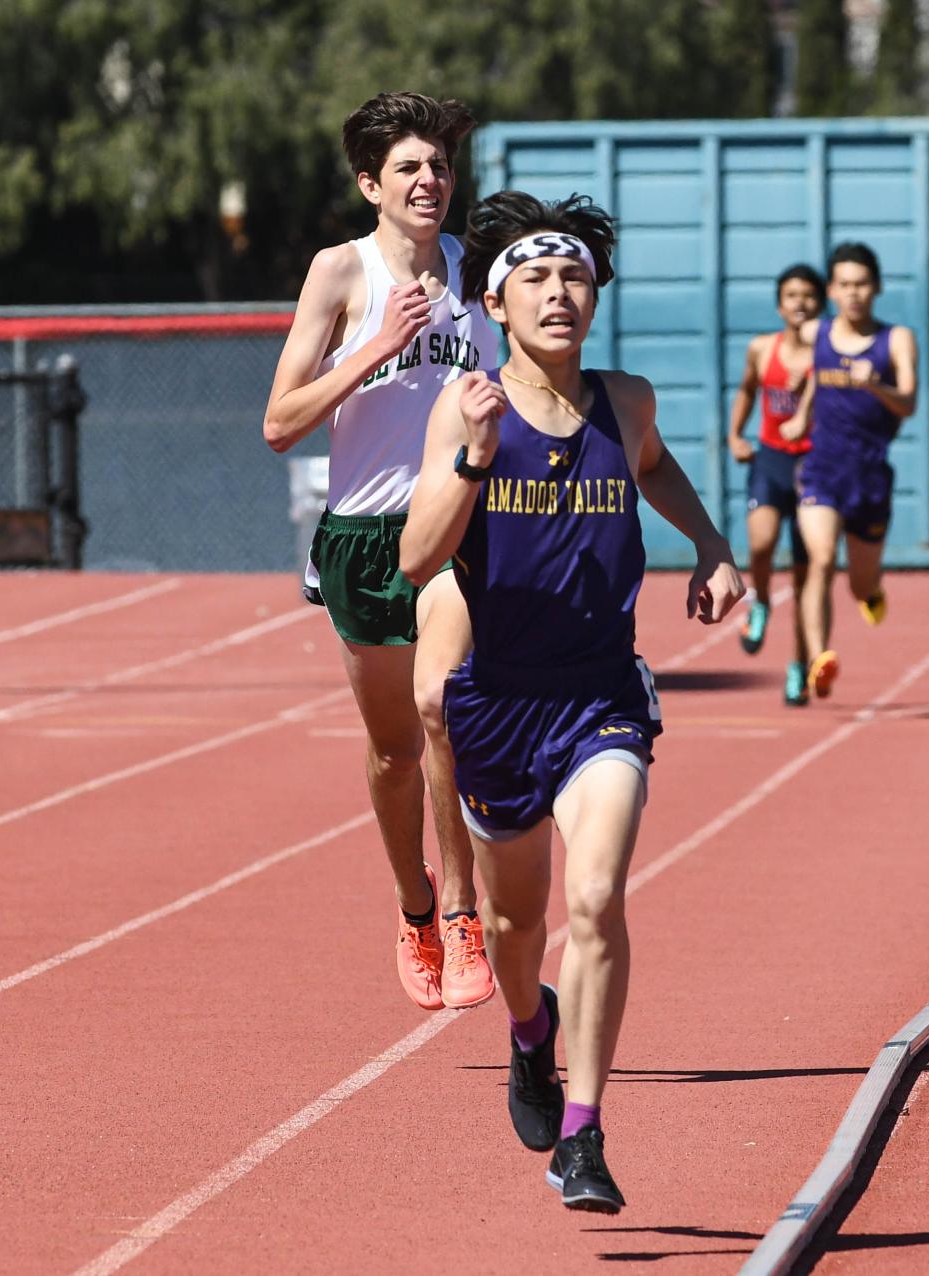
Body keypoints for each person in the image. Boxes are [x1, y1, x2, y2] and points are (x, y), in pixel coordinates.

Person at [400, 192, 744, 1213]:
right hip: (498, 705)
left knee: (594, 898)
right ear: (496, 304)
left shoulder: (625, 402)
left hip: (599, 696)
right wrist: (468, 456)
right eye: (537, 279)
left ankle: (585, 1138)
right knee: (516, 926)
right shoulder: (465, 406)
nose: (561, 293)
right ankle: (528, 1031)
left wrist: (711, 543)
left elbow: (653, 464)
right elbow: (417, 556)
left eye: (576, 277)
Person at [262, 92, 500, 1011]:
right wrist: (377, 347)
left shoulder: (477, 267)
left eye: (439, 166)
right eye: (408, 167)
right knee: (394, 750)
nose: (428, 180)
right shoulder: (341, 272)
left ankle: (465, 915)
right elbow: (280, 423)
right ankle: (415, 906)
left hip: (455, 527)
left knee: (444, 710)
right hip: (363, 538)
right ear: (371, 184)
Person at [780, 242, 918, 699]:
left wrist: (875, 383)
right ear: (832, 290)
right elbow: (813, 373)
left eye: (861, 284)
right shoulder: (818, 332)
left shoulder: (895, 339)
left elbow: (910, 403)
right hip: (821, 470)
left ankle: (870, 591)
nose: (853, 293)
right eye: (844, 285)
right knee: (819, 560)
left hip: (871, 477)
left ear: (875, 287)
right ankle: (819, 656)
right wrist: (802, 411)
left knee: (860, 584)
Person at [725, 264, 825, 706]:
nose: (799, 303)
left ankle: (799, 666)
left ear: (820, 303)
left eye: (807, 295)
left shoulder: (832, 353)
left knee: (807, 580)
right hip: (770, 459)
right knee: (761, 544)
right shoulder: (763, 349)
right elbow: (747, 390)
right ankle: (760, 600)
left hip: (815, 466)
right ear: (779, 304)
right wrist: (734, 434)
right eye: (791, 295)